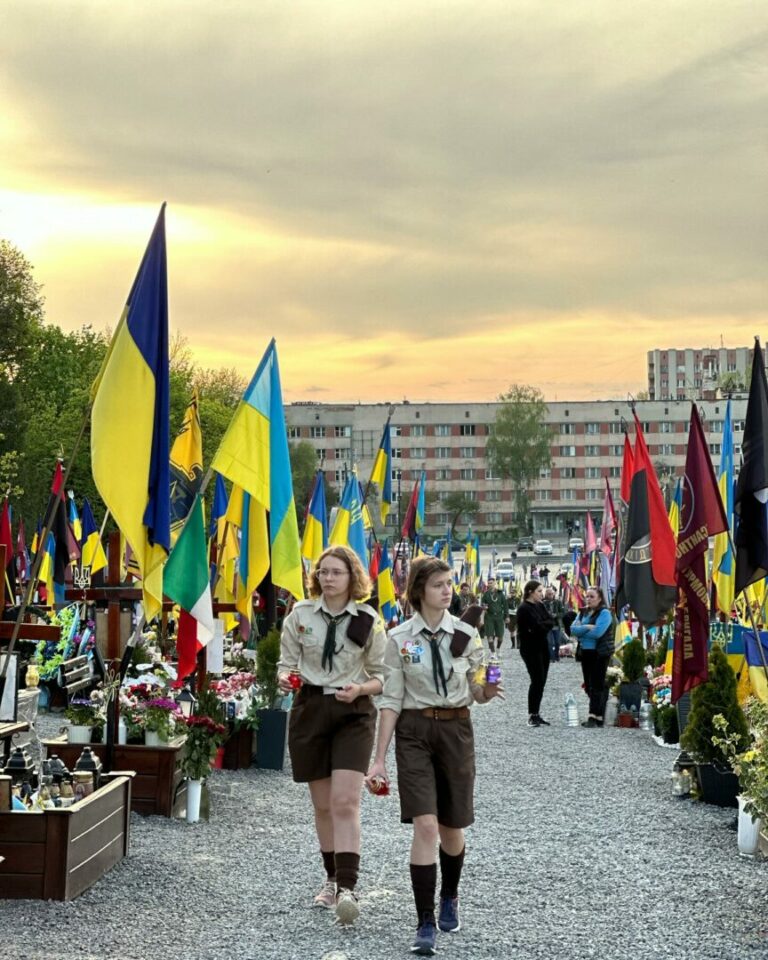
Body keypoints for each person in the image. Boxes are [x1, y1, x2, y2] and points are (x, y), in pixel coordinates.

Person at [365, 556, 503, 956]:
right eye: (440, 584)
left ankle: (450, 895)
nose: (448, 590)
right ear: (420, 590)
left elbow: (479, 689)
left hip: (456, 731)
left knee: (451, 828)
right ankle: (424, 921)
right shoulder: (399, 638)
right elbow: (390, 700)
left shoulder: (466, 635)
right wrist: (379, 759)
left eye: (450, 583)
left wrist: (489, 690)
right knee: (425, 826)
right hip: (414, 731)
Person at [277, 545, 387, 925]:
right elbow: (286, 664)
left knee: (345, 802)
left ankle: (349, 889)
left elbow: (381, 676)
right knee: (322, 805)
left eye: (336, 572)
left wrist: (360, 689)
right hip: (310, 709)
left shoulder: (368, 620)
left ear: (351, 577)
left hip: (353, 712)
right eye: (322, 572)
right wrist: (284, 677)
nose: (327, 578)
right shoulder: (300, 614)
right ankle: (331, 876)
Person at [570, 587, 615, 727]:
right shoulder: (583, 612)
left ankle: (592, 716)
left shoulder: (605, 613)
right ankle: (599, 716)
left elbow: (598, 633)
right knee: (589, 685)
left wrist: (582, 630)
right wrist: (587, 627)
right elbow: (572, 629)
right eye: (587, 596)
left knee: (596, 684)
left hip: (599, 652)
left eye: (592, 596)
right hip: (585, 652)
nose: (588, 599)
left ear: (600, 598)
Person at [516, 580, 555, 727]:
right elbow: (535, 627)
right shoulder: (524, 609)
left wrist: (543, 625)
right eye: (539, 591)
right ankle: (532, 715)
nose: (541, 594)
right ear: (530, 591)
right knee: (537, 680)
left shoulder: (540, 605)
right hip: (530, 648)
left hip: (542, 645)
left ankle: (537, 713)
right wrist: (543, 625)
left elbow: (551, 621)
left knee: (542, 681)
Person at [480, 577, 508, 654]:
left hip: (499, 617)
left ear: (495, 583)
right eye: (488, 583)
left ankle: (498, 649)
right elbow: (483, 606)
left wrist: (507, 616)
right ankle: (493, 652)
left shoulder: (500, 593)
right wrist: (484, 608)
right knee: (489, 635)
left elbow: (505, 606)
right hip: (489, 617)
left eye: (491, 583)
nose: (489, 584)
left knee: (500, 636)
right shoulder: (485, 594)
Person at [543, 586, 565, 663]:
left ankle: (556, 655)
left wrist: (556, 615)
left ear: (554, 593)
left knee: (557, 642)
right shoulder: (543, 603)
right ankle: (551, 657)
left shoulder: (558, 602)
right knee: (549, 642)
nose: (550, 595)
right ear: (546, 594)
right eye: (549, 594)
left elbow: (563, 613)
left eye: (551, 594)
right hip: (547, 626)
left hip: (556, 625)